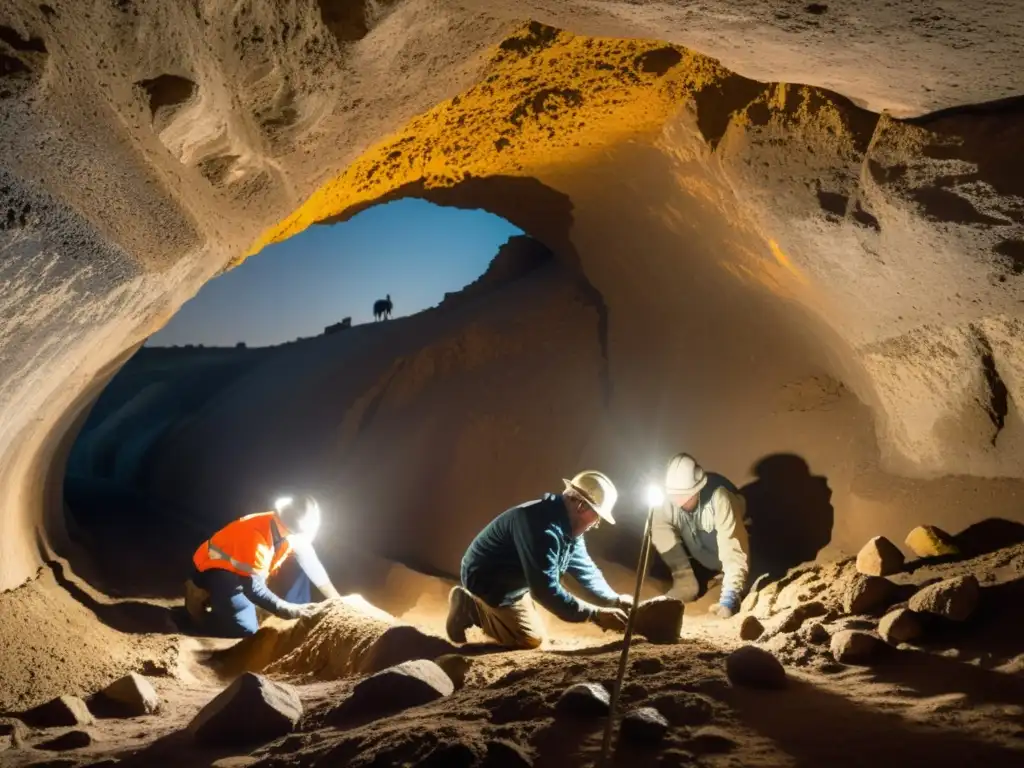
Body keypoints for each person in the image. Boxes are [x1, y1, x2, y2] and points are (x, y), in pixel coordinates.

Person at [445, 470, 632, 649]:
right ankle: (471, 608)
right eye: (597, 517)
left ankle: (489, 611)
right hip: (487, 580)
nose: (596, 524)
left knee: (536, 623)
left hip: (513, 581)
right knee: (530, 638)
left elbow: (585, 569)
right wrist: (595, 615)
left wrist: (614, 599)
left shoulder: (566, 527)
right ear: (581, 506)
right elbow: (545, 591)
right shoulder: (542, 528)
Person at [184, 494, 342, 637]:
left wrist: (337, 600)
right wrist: (289, 609)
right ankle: (198, 606)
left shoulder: (283, 528)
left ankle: (221, 603)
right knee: (244, 628)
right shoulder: (257, 540)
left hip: (237, 568)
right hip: (215, 570)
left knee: (260, 607)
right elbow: (254, 589)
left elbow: (311, 564)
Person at [651, 453, 750, 618]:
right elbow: (659, 529)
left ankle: (731, 587)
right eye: (674, 496)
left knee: (752, 582)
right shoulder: (669, 501)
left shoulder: (720, 497)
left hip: (741, 551)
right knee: (659, 517)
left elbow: (734, 549)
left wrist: (729, 599)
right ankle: (688, 582)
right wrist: (684, 578)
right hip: (704, 557)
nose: (678, 502)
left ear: (698, 489)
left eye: (684, 497)